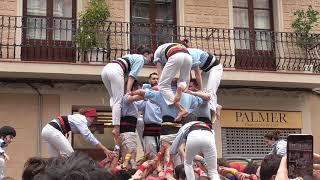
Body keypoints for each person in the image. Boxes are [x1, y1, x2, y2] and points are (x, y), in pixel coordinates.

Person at [101, 46, 153, 145]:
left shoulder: (130, 56)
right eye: (150, 57)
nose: (150, 60)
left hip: (106, 69)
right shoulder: (141, 59)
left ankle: (116, 122)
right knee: (118, 101)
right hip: (116, 70)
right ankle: (116, 128)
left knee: (113, 99)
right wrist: (129, 90)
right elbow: (132, 75)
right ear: (145, 54)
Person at [41, 108, 113, 158]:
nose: (92, 122)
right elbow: (88, 136)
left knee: (55, 159)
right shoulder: (82, 119)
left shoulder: (77, 118)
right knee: (71, 155)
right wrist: (105, 149)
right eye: (93, 119)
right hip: (52, 130)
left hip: (47, 131)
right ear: (88, 117)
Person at [154, 42, 193, 120]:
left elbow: (160, 72)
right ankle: (180, 87)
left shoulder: (157, 53)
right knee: (182, 81)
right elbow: (187, 77)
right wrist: (185, 88)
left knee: (163, 85)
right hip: (188, 56)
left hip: (175, 55)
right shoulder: (171, 45)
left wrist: (160, 85)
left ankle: (180, 108)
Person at [135, 72, 162, 159]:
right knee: (151, 157)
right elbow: (136, 105)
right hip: (149, 131)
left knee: (163, 158)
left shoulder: (163, 98)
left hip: (162, 131)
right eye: (154, 79)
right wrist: (143, 93)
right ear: (149, 80)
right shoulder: (146, 99)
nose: (156, 80)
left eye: (157, 79)